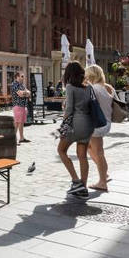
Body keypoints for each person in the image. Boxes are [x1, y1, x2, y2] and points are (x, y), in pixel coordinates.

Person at [58, 62, 94, 199]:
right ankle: (83, 188)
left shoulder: (70, 87)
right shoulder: (88, 88)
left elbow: (69, 109)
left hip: (75, 124)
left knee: (61, 151)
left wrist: (63, 124)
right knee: (82, 156)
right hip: (88, 124)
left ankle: (75, 180)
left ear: (68, 74)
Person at [85, 65, 114, 191]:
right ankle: (104, 174)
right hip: (106, 122)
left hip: (97, 124)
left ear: (91, 75)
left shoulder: (93, 88)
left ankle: (102, 182)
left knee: (98, 152)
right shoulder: (108, 87)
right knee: (90, 148)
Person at [10, 72, 32, 144]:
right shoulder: (14, 84)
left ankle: (20, 138)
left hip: (22, 106)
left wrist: (25, 93)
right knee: (18, 122)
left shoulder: (21, 85)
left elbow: (29, 92)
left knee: (19, 122)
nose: (23, 77)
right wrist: (25, 93)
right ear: (17, 77)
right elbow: (21, 95)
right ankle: (15, 139)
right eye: (22, 76)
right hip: (18, 105)